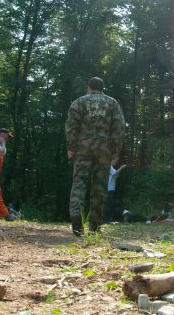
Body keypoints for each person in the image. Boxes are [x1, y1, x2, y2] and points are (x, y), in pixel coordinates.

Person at [65, 76, 125, 236]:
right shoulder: (112, 103)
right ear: (102, 87)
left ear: (89, 87)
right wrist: (115, 149)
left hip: (83, 147)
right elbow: (119, 127)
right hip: (104, 148)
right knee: (99, 186)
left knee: (79, 182)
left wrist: (71, 147)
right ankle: (94, 226)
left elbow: (71, 126)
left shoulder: (79, 102)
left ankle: (76, 214)